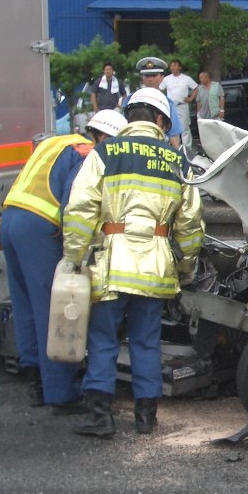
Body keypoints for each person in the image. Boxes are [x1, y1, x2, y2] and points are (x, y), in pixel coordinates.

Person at [62, 88, 204, 436]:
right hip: (155, 268)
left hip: (111, 264)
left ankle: (101, 416)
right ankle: (146, 418)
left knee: (104, 339)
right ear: (159, 120)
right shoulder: (177, 161)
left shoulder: (105, 152)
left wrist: (74, 257)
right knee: (145, 341)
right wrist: (185, 269)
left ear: (130, 116)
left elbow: (80, 209)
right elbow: (190, 226)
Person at [0, 110, 128, 411]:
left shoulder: (57, 142)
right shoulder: (87, 154)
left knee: (27, 307)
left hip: (11, 221)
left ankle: (36, 382)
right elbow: (74, 200)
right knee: (54, 311)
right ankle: (61, 393)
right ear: (105, 138)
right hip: (40, 229)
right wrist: (79, 250)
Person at [128, 56, 184, 148]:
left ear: (162, 77)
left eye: (154, 75)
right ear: (142, 77)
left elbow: (173, 134)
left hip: (159, 148)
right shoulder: (132, 100)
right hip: (133, 147)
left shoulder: (167, 103)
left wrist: (177, 157)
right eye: (147, 76)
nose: (150, 79)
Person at [159, 59, 198, 151]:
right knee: (172, 127)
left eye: (175, 65)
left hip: (182, 105)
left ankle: (187, 149)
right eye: (171, 66)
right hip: (171, 107)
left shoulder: (186, 78)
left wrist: (191, 98)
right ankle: (175, 148)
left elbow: (196, 88)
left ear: (179, 67)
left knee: (185, 127)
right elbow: (160, 88)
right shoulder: (167, 79)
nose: (173, 67)